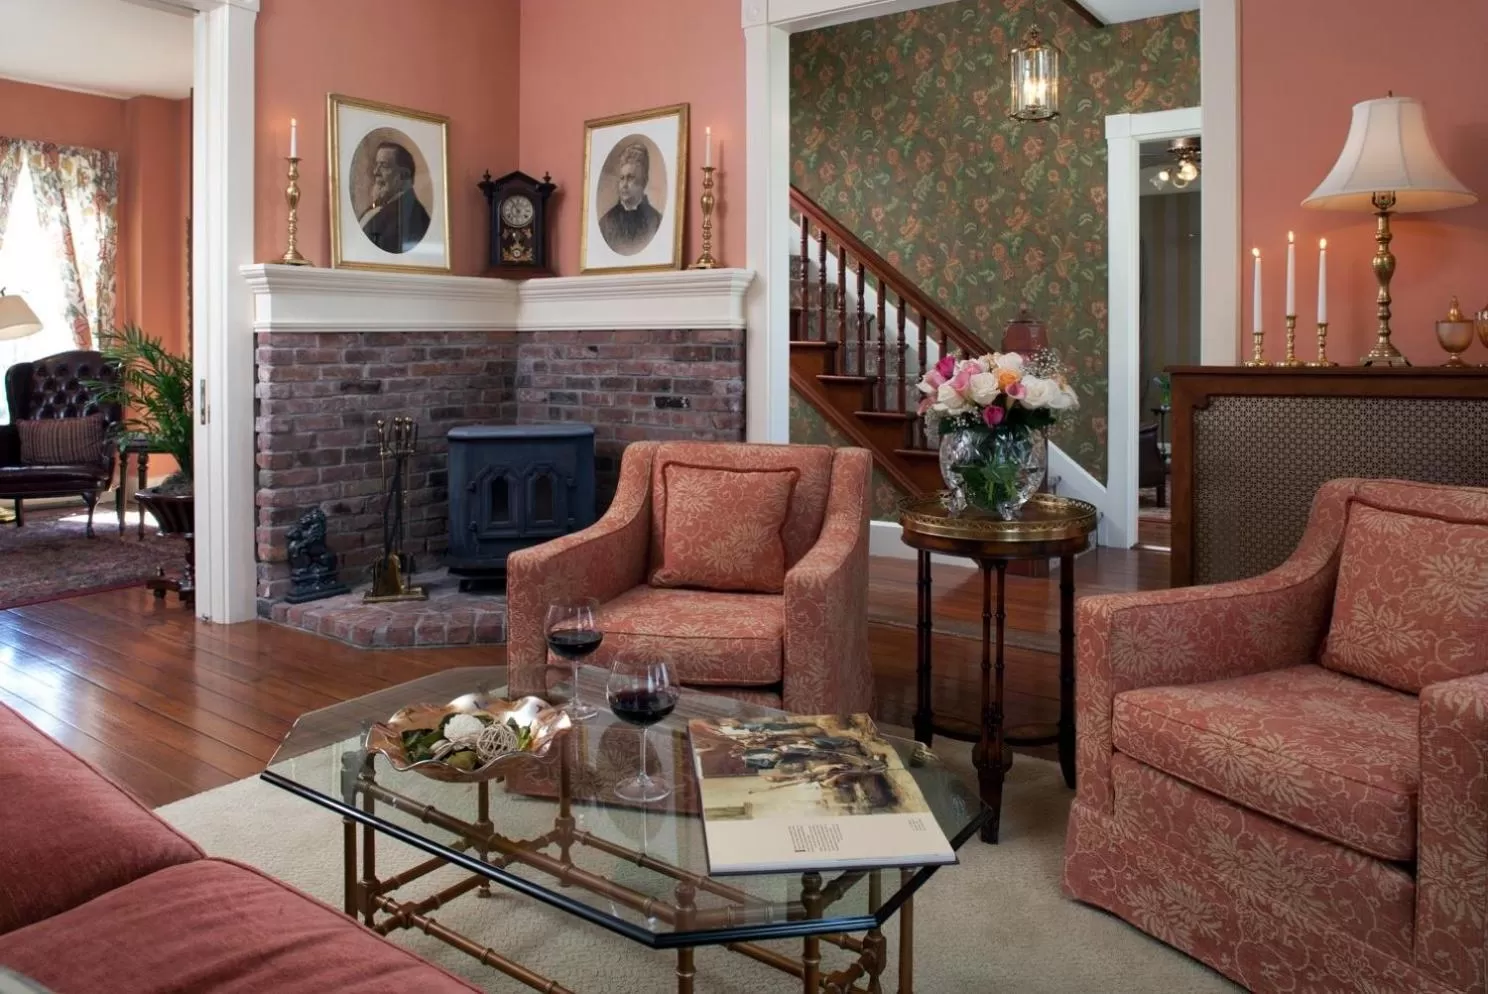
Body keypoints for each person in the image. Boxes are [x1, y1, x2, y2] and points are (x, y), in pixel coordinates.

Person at [358, 141, 430, 254]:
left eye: (384, 166)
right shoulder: (378, 207)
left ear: (404, 175)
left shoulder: (413, 217)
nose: (375, 171)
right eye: (377, 165)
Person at [598, 141, 663, 255]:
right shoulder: (605, 224)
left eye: (630, 178)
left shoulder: (657, 221)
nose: (624, 185)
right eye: (622, 178)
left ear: (644, 181)